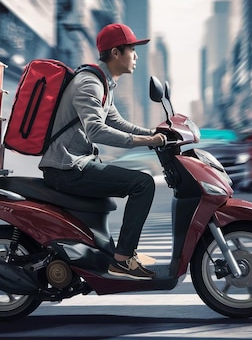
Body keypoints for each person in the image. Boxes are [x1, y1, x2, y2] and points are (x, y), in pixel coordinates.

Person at [38, 23, 167, 280]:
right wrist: (146, 140)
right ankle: (122, 259)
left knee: (136, 182)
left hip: (75, 164)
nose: (136, 56)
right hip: (67, 168)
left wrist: (154, 132)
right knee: (142, 184)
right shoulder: (90, 83)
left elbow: (116, 122)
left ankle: (114, 253)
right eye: (132, 49)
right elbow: (96, 130)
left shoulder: (103, 83)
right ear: (116, 53)